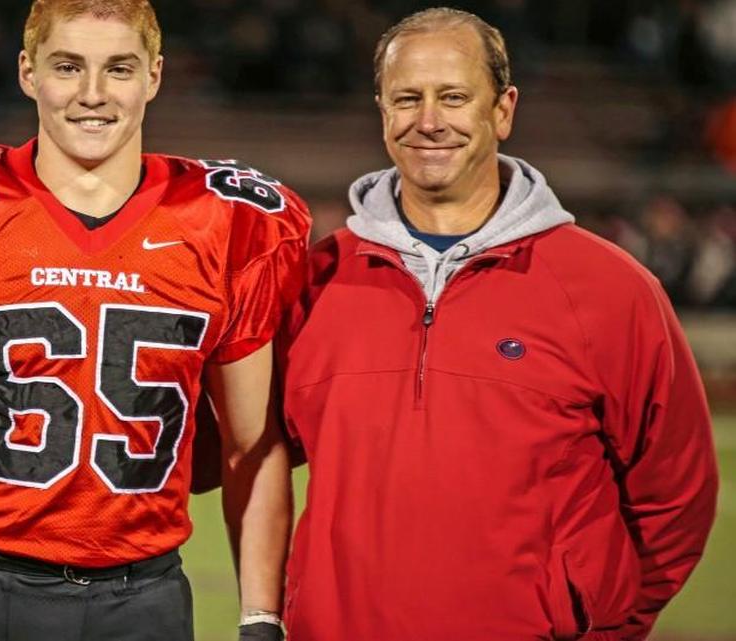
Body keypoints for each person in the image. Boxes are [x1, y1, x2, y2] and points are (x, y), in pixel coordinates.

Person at [0, 2, 310, 640]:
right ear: (27, 72)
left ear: (154, 76)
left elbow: (252, 447)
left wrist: (261, 618)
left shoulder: (228, 221)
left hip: (139, 593)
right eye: (68, 67)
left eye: (118, 69)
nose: (93, 95)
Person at [281, 8, 718, 641]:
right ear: (383, 112)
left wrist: (606, 626)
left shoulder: (612, 290)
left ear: (503, 110)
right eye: (408, 98)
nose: (429, 121)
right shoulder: (316, 279)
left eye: (454, 96)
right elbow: (249, 451)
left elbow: (675, 495)